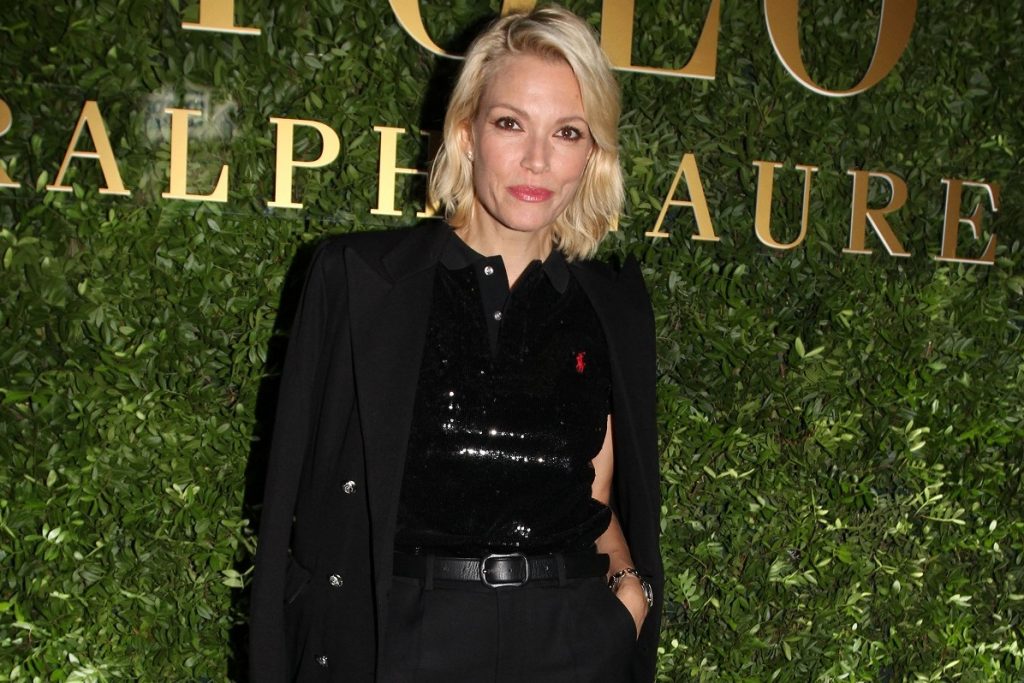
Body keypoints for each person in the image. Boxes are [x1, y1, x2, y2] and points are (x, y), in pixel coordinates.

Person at [249, 6, 661, 682]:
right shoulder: (361, 281)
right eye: (510, 123)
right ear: (466, 132)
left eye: (567, 132)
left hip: (570, 643)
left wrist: (628, 601)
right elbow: (295, 502)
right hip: (405, 640)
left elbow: (598, 493)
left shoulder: (608, 307)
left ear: (593, 153)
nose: (536, 159)